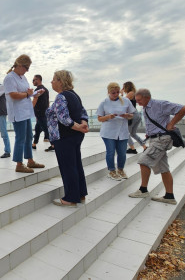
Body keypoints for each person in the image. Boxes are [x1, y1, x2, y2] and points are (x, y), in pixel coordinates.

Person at [128, 88, 185, 204]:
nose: (138, 103)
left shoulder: (160, 104)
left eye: (139, 100)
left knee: (143, 161)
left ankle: (143, 190)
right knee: (163, 168)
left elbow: (183, 108)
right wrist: (150, 132)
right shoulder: (145, 108)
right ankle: (169, 196)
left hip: (161, 139)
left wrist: (171, 124)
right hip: (155, 138)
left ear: (147, 97)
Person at [47, 70, 89, 207]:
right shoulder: (74, 95)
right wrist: (83, 124)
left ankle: (70, 198)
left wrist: (77, 126)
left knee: (68, 167)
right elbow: (82, 111)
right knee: (76, 164)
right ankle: (80, 194)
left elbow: (63, 118)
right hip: (75, 136)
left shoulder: (61, 96)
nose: (51, 82)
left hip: (64, 136)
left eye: (53, 79)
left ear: (60, 81)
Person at [4, 54, 45, 173]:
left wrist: (34, 94)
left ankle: (30, 160)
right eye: (27, 68)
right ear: (20, 65)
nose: (27, 71)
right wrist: (28, 94)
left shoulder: (22, 77)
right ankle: (19, 163)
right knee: (20, 137)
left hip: (25, 111)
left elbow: (25, 93)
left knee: (29, 137)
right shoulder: (10, 78)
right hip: (18, 112)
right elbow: (12, 95)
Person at [97, 82, 136, 181]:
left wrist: (127, 115)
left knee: (122, 152)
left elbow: (132, 114)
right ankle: (111, 171)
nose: (115, 95)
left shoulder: (126, 101)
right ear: (109, 92)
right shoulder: (104, 102)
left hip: (122, 131)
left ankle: (121, 170)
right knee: (110, 152)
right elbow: (99, 118)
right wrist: (108, 116)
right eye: (113, 93)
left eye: (117, 92)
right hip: (108, 132)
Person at [123, 81, 147, 154]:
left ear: (127, 87)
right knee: (133, 133)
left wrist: (121, 94)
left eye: (124, 87)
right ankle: (145, 147)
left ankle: (132, 149)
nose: (123, 89)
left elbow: (121, 101)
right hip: (136, 115)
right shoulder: (133, 93)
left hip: (132, 115)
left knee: (126, 133)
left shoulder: (131, 93)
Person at [31, 74, 54, 152]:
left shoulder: (38, 90)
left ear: (38, 80)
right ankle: (34, 144)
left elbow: (35, 101)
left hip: (40, 112)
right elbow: (47, 102)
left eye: (34, 80)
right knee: (37, 128)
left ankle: (53, 144)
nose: (33, 81)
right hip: (44, 112)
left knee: (45, 128)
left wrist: (30, 109)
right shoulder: (46, 89)